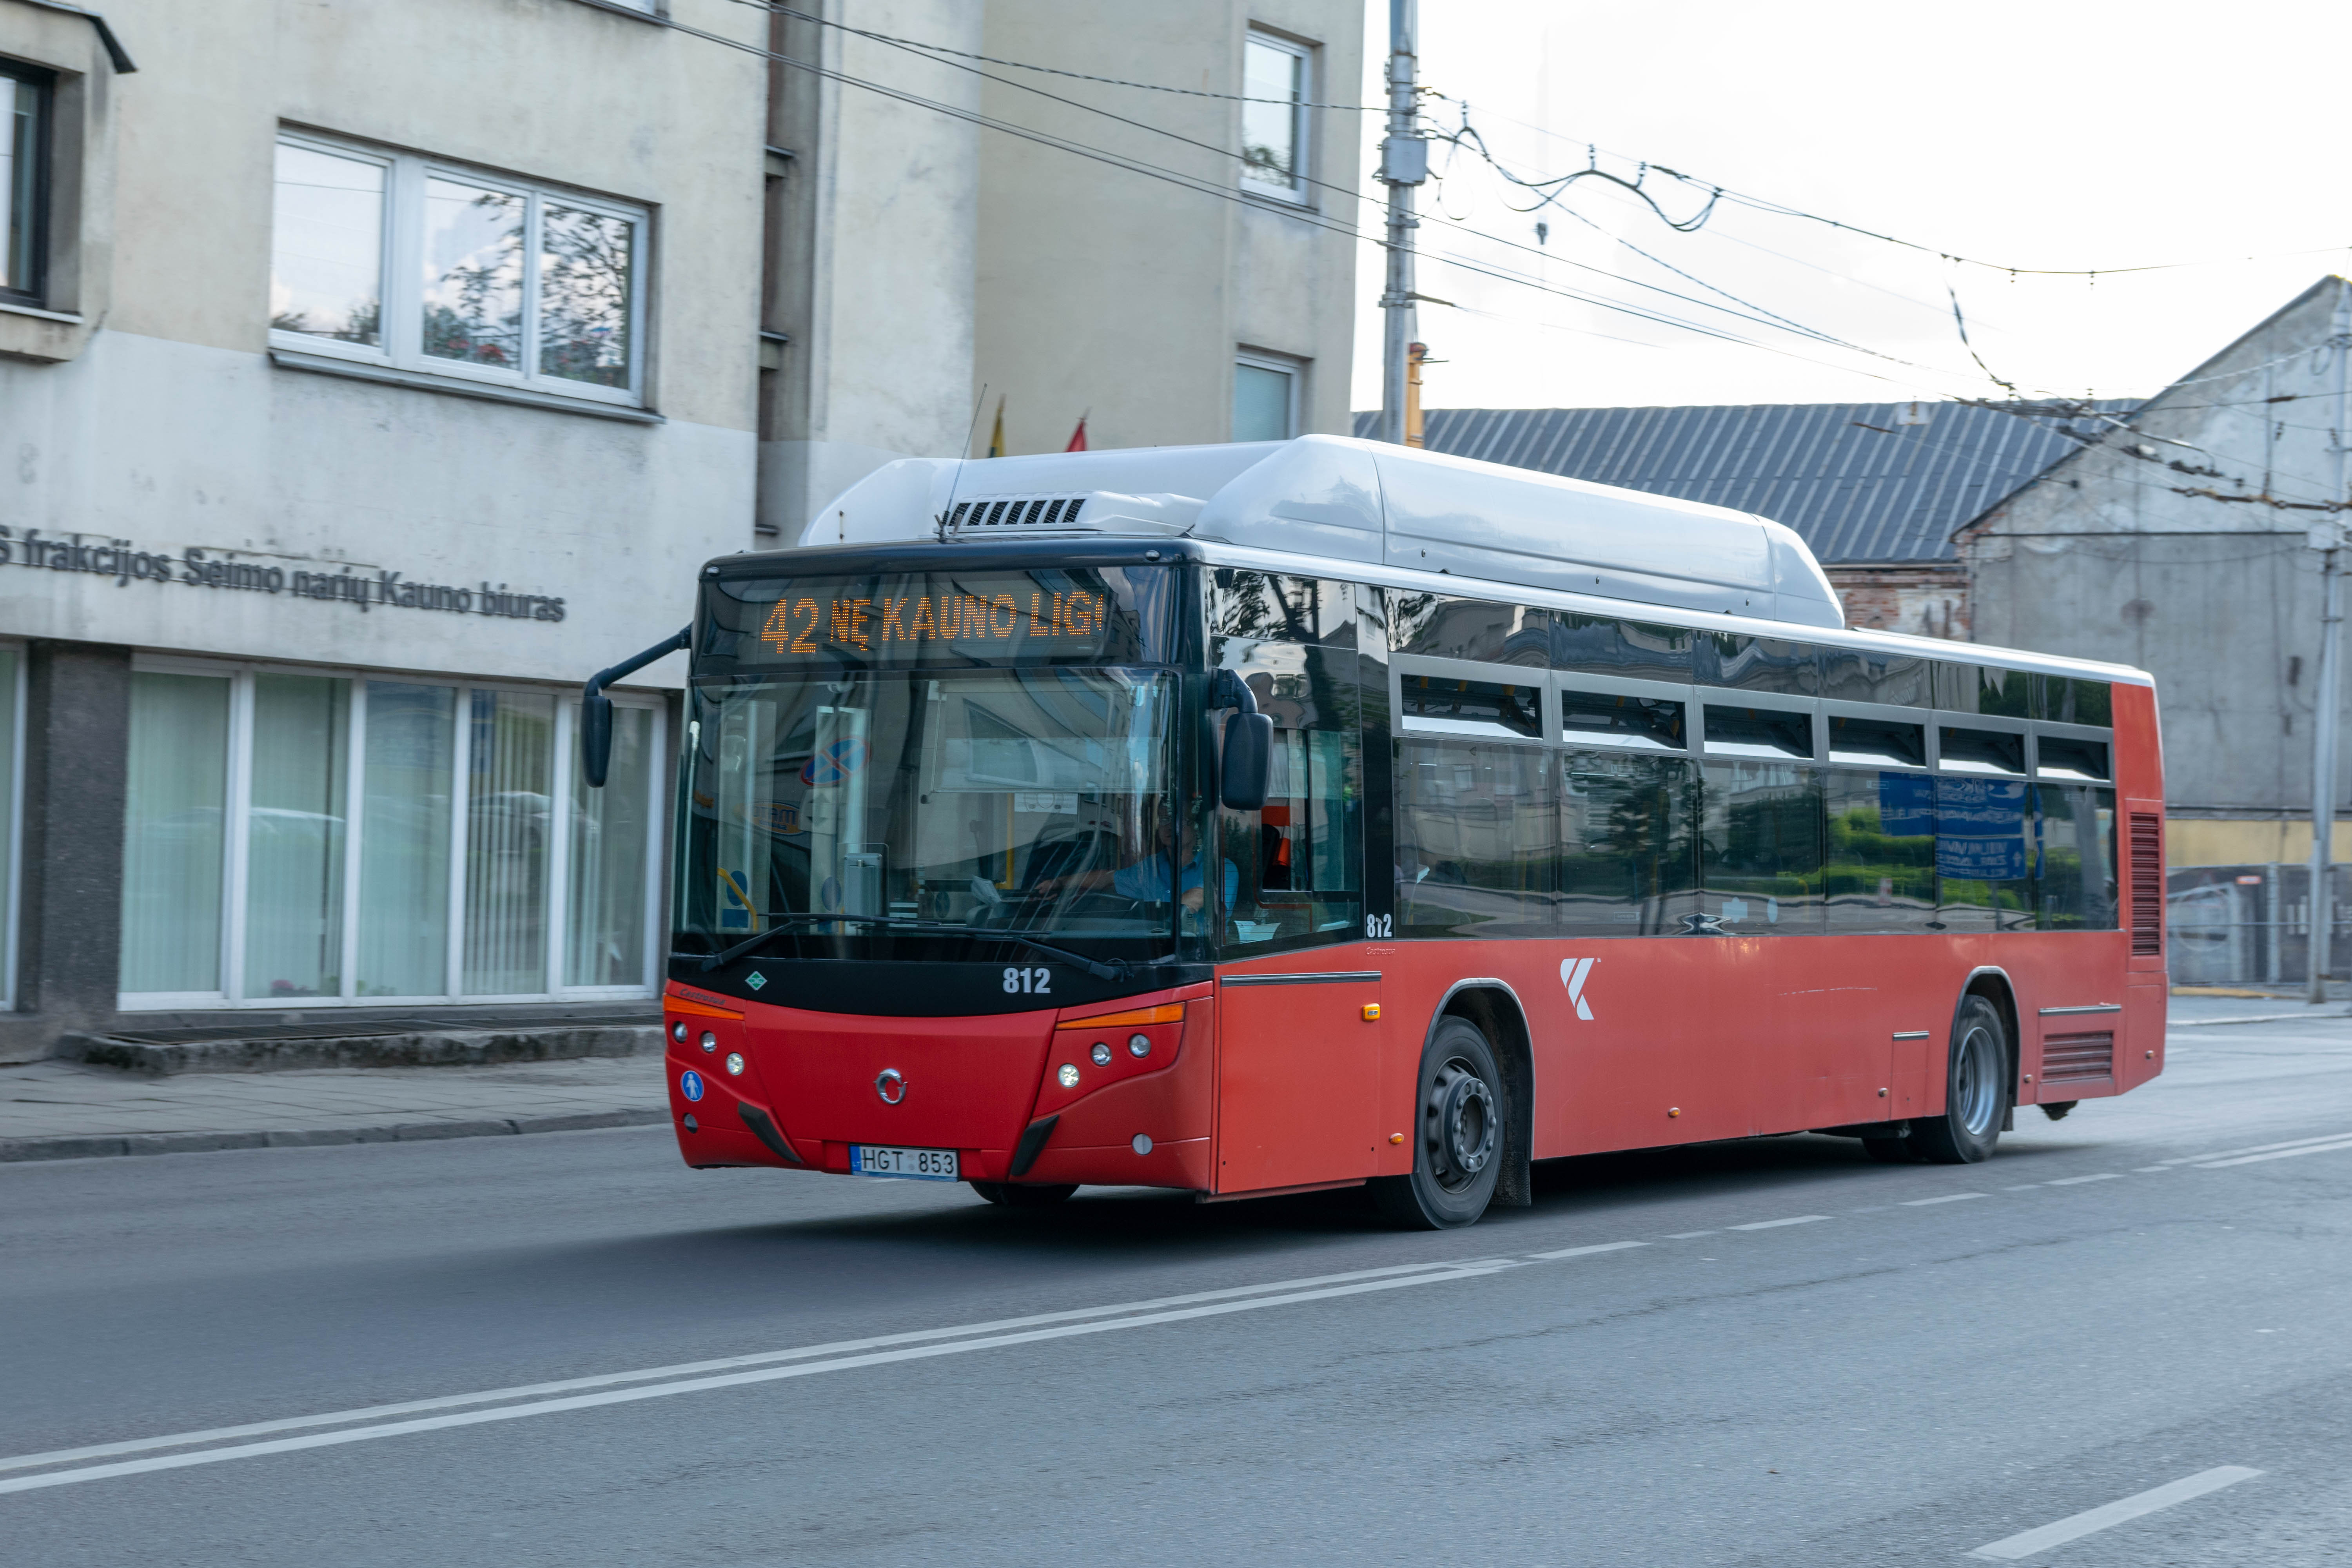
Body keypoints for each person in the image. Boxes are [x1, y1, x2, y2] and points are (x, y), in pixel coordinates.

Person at [1037, 808, 1237, 913]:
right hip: (1154, 952)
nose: (1171, 827)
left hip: (1196, 960)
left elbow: (1196, 900)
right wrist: (1061, 883)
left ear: (1196, 827)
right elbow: (1107, 879)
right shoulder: (1151, 867)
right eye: (1165, 820)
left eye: (1181, 820)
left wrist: (1153, 921)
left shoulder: (1222, 868)